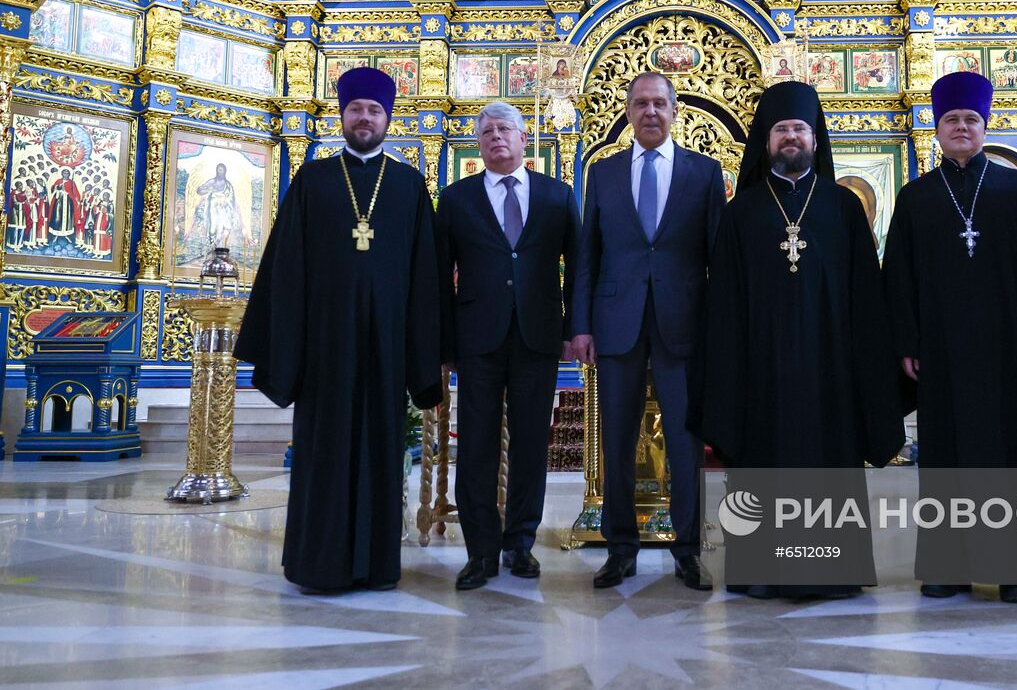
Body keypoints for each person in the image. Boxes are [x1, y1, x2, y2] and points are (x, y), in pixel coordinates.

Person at [234, 67, 442, 593]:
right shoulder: (313, 181)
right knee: (323, 452)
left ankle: (378, 566)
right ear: (342, 116)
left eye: (374, 111)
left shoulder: (409, 186)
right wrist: (287, 346)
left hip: (386, 348)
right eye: (356, 110)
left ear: (388, 119)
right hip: (325, 348)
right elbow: (286, 268)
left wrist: (422, 357)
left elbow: (425, 278)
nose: (364, 118)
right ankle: (318, 565)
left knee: (381, 449)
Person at [695, 81, 905, 599]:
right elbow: (723, 303)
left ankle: (834, 569)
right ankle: (761, 569)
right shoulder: (741, 212)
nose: (791, 137)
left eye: (800, 129)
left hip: (830, 368)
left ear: (815, 139)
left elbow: (866, 297)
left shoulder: (844, 207)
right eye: (781, 130)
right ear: (766, 141)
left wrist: (866, 366)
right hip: (761, 370)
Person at [883, 72, 1017, 604]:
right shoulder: (915, 197)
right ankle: (947, 567)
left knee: (1008, 457)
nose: (961, 127)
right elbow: (898, 277)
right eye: (951, 119)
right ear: (937, 127)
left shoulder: (1016, 190)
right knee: (945, 457)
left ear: (985, 126)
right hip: (941, 351)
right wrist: (907, 342)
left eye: (971, 119)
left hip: (1006, 350)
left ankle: (1015, 569)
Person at [571, 72, 726, 592]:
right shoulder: (603, 173)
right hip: (616, 322)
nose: (651, 112)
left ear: (675, 111)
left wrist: (716, 328)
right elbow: (587, 257)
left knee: (684, 439)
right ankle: (620, 550)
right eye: (641, 103)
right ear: (628, 112)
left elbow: (717, 257)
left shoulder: (704, 172)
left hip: (685, 322)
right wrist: (581, 326)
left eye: (660, 103)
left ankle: (687, 550)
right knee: (616, 438)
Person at [437, 102, 578, 590]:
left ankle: (520, 543)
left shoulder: (558, 196)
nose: (497, 137)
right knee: (476, 443)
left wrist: (574, 329)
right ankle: (480, 552)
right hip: (477, 339)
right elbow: (439, 276)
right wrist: (444, 342)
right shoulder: (456, 199)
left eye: (505, 129)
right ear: (478, 144)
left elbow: (578, 268)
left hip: (538, 336)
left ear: (523, 138)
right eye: (488, 131)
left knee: (531, 444)